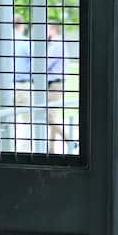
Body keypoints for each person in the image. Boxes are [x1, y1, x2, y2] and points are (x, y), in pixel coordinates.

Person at [44, 22, 74, 153]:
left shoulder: (56, 44)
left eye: (46, 29)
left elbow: (45, 63)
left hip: (54, 84)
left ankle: (69, 141)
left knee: (48, 117)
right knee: (52, 117)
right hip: (56, 83)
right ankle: (51, 149)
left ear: (53, 30)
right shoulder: (57, 44)